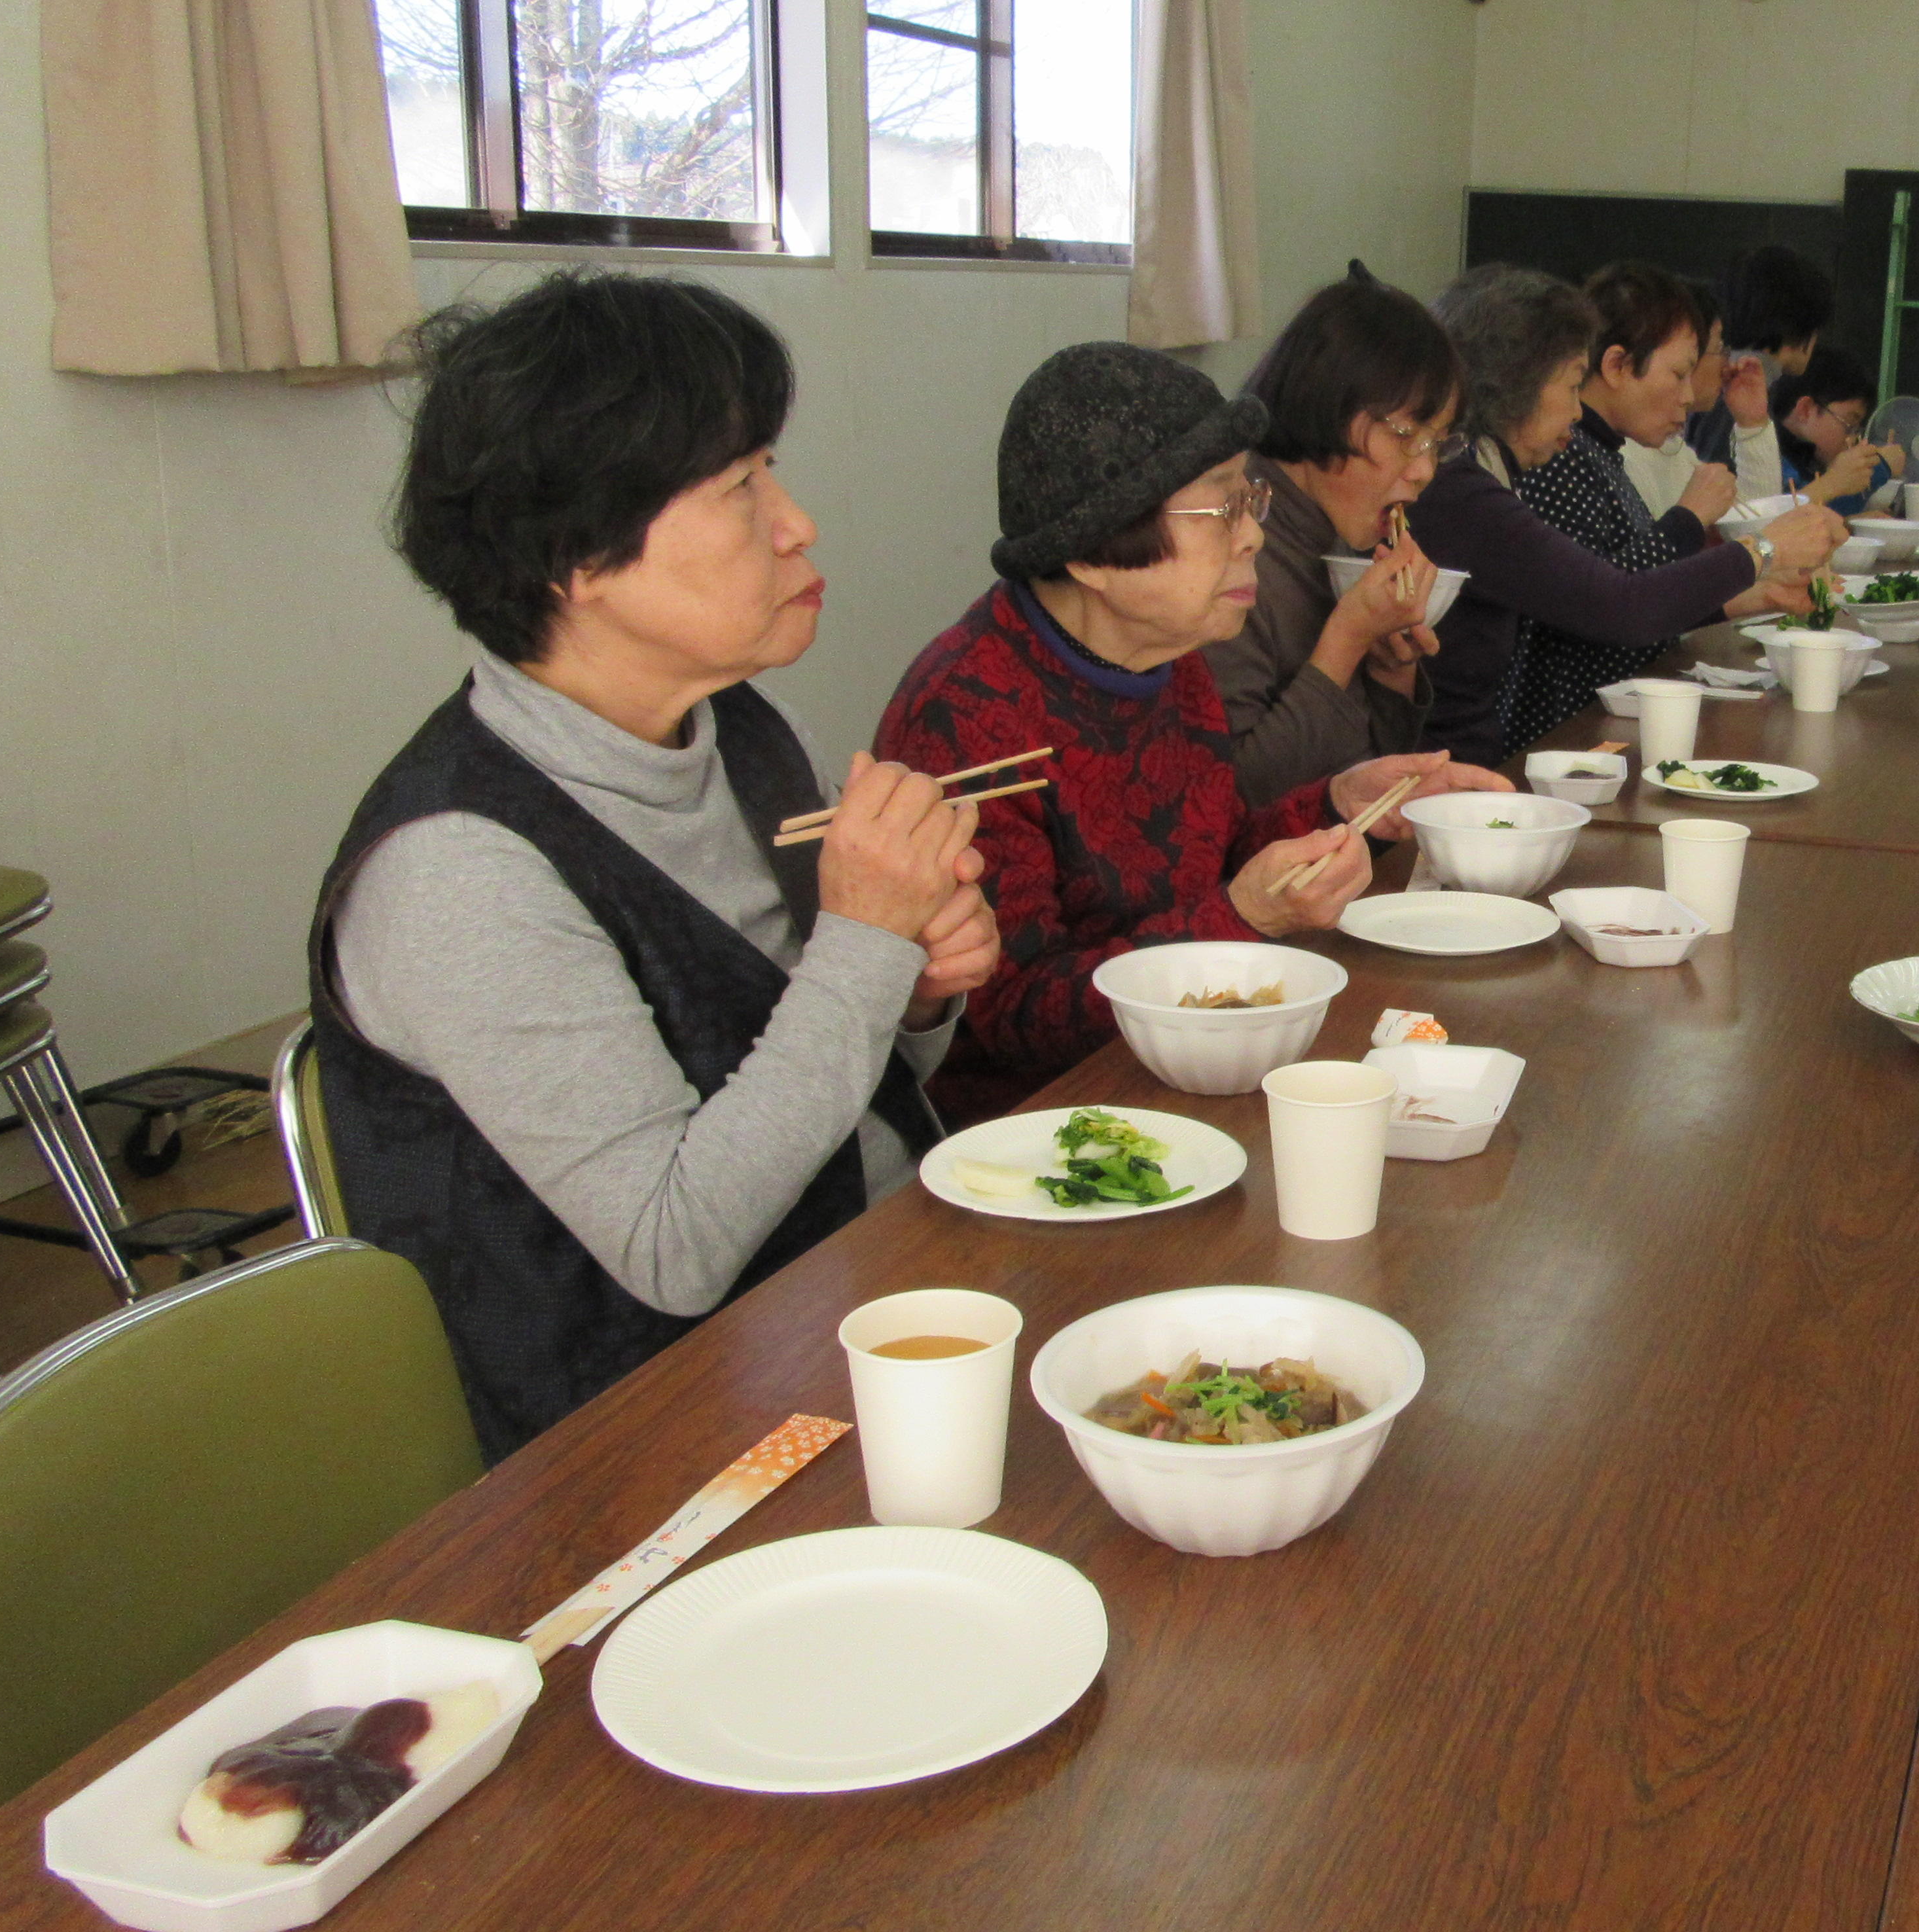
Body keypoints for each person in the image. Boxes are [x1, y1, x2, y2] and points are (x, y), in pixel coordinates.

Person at [314, 272, 999, 1459]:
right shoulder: (457, 870)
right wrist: (866, 944)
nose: (796, 522)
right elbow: (675, 1248)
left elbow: (814, 1055)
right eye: (740, 489)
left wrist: (918, 989)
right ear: (577, 557)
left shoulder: (731, 728)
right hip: (666, 1437)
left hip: (879, 1291)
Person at [878, 342, 1503, 1122]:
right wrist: (1242, 920)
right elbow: (1010, 1018)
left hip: (1192, 1074)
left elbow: (1209, 855)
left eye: (1251, 502)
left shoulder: (1169, 658)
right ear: (1093, 554)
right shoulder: (971, 717)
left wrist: (1343, 807)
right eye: (1220, 510)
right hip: (1046, 1128)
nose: (1252, 537)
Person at [1413, 263, 1844, 764]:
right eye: (1572, 384)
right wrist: (1760, 549)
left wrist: (1747, 593)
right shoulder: (1476, 485)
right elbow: (1619, 604)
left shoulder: (1497, 469)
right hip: (1517, 752)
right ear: (1516, 384)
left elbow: (1614, 595)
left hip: (1511, 756)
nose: (1576, 414)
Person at [1208, 270, 1460, 810]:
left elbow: (1368, 787)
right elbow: (1234, 797)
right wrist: (1345, 638)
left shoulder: (1339, 532)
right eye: (1406, 435)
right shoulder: (1229, 541)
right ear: (1327, 401)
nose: (1424, 470)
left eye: (1437, 444)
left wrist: (1390, 667)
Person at [1715, 243, 1837, 492]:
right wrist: (1835, 484)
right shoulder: (1741, 382)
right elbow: (1741, 507)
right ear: (1804, 325)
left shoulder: (1728, 369)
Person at [1618, 281, 1740, 521]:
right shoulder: (1626, 456)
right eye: (1680, 372)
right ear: (1619, 365)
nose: (1688, 396)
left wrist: (1752, 423)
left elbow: (1748, 525)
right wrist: (1690, 517)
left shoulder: (1674, 450)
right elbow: (1655, 557)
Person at [1768, 343, 1894, 512]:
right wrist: (1879, 468)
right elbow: (1771, 523)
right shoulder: (1771, 459)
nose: (1852, 439)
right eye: (1850, 424)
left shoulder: (1807, 455)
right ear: (1805, 410)